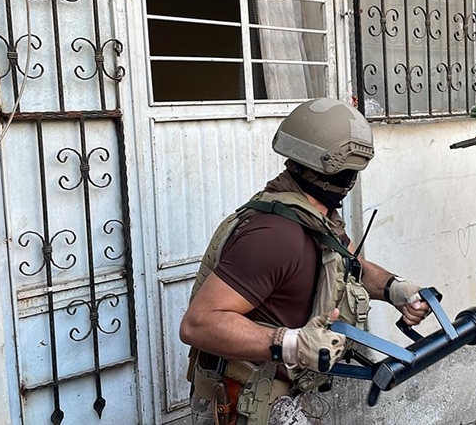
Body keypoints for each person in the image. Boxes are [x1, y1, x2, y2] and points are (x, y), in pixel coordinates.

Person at [179, 98, 431, 425]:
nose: (352, 179)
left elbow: (351, 264)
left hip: (281, 399)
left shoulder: (316, 218)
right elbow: (198, 323)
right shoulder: (274, 235)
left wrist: (396, 289)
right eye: (352, 171)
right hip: (243, 406)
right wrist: (291, 343)